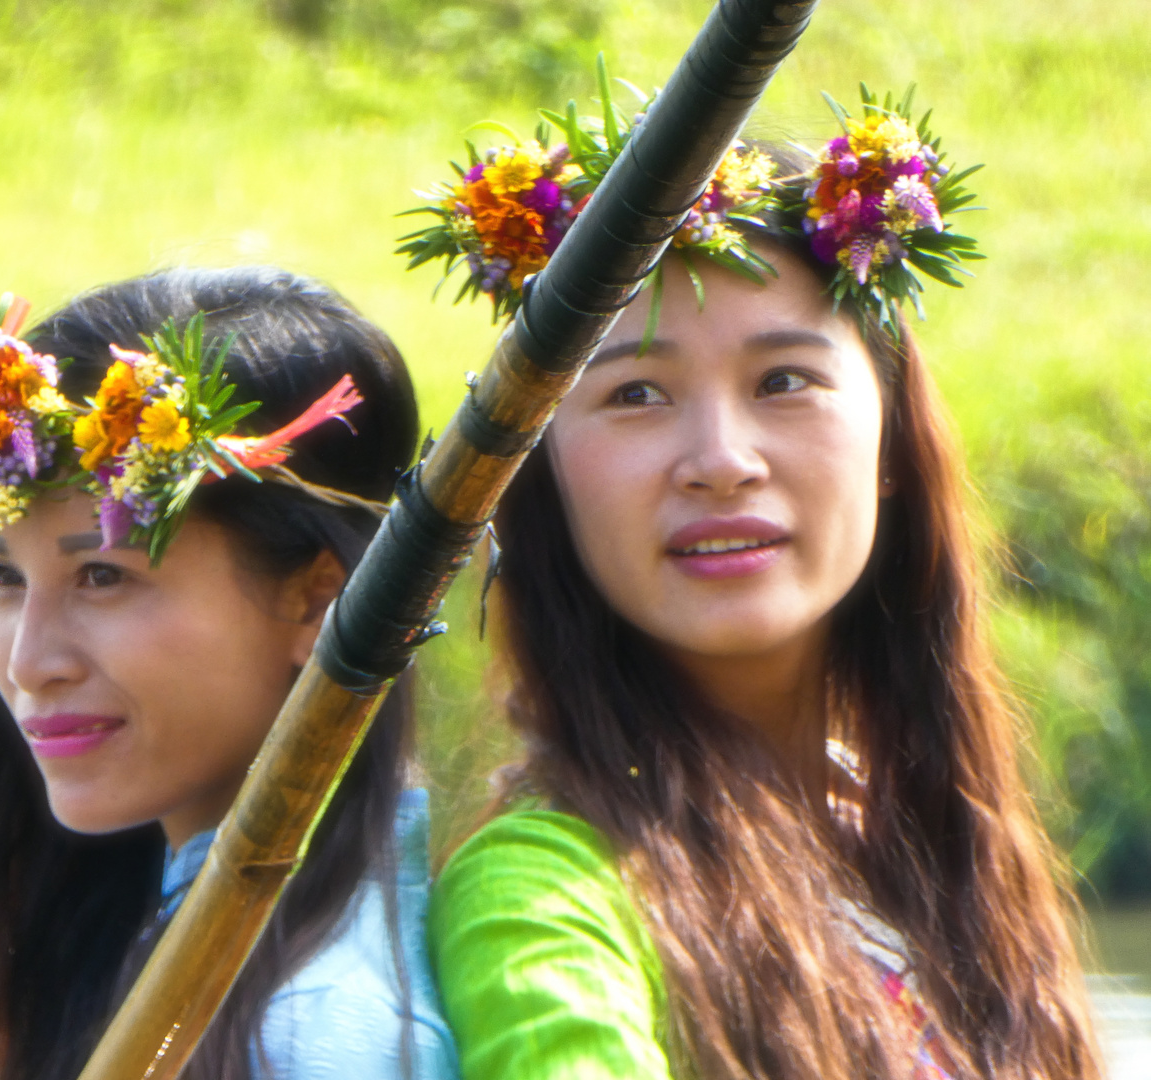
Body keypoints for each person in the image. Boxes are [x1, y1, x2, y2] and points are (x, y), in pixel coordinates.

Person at [408, 91, 1105, 1080]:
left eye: (784, 381)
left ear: (892, 441)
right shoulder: (546, 894)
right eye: (635, 395)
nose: (721, 461)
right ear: (545, 478)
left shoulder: (931, 838)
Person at [0, 266, 458, 1080]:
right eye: (5, 580)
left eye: (103, 578)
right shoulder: (185, 958)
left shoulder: (311, 1039)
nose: (28, 665)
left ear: (318, 600)